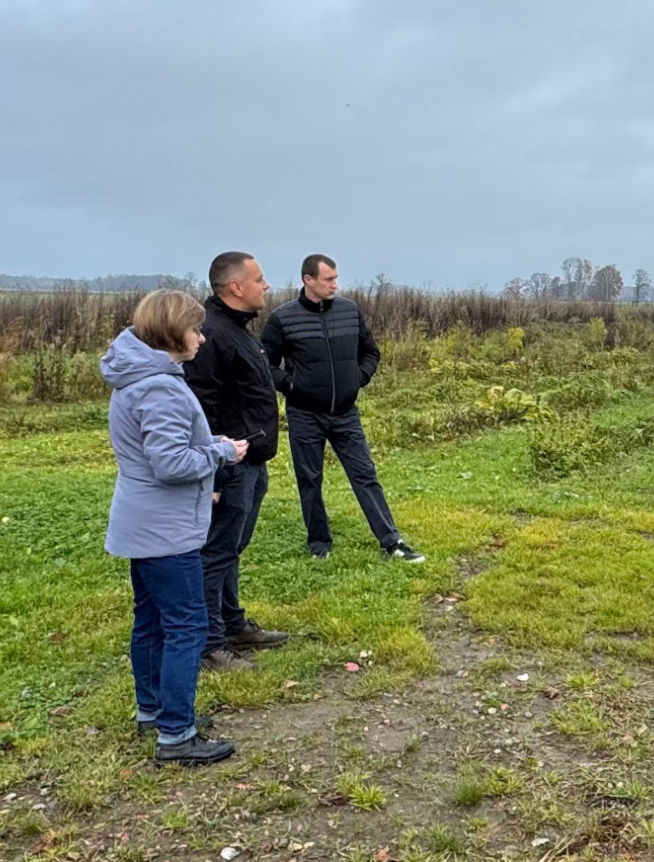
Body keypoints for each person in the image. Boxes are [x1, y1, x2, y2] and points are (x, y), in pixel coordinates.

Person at [101, 289, 244, 766]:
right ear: (171, 333)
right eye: (195, 329)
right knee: (186, 626)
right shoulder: (159, 386)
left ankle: (154, 711)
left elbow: (161, 448)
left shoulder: (138, 377)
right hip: (166, 528)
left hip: (142, 522)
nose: (202, 338)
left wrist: (208, 440)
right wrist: (222, 453)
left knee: (152, 620)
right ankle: (177, 734)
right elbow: (169, 463)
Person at [260, 254, 424, 562]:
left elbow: (370, 351)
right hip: (304, 414)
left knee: (365, 475)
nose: (335, 284)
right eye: (328, 279)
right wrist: (292, 385)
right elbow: (264, 364)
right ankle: (319, 543)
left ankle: (392, 541)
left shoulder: (350, 311)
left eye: (336, 278)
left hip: (346, 413)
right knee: (310, 478)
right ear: (308, 280)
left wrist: (359, 378)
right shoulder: (283, 318)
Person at [183, 252, 289, 672]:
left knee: (231, 549)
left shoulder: (239, 330)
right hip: (229, 464)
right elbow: (203, 408)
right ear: (236, 287)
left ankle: (232, 622)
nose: (266, 286)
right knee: (216, 552)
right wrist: (215, 469)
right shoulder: (212, 334)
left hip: (251, 459)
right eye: (260, 279)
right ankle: (211, 645)